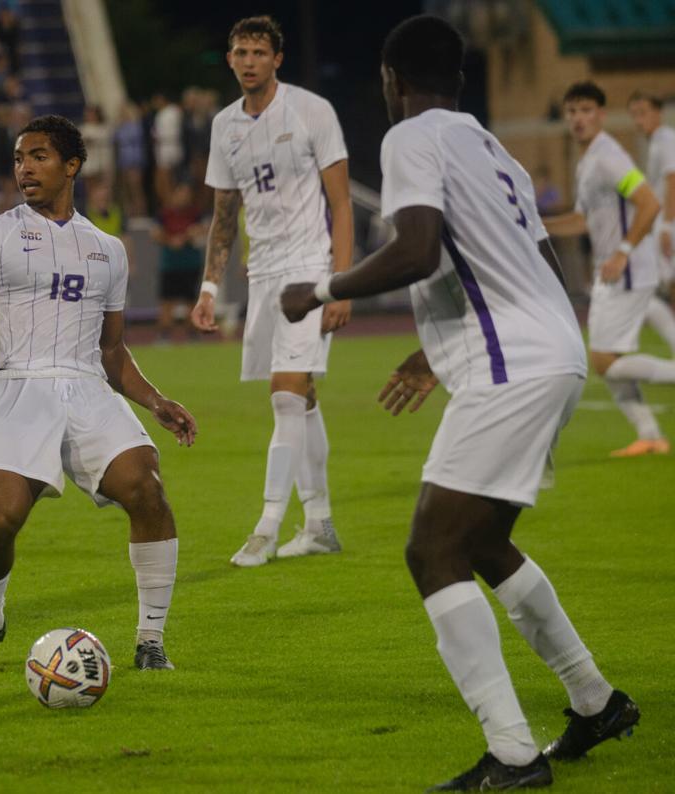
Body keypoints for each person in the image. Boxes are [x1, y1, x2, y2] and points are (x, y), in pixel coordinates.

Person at [280, 16, 639, 790]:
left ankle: (512, 754)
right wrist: (444, 349)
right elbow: (532, 254)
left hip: (513, 364)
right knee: (480, 543)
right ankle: (595, 700)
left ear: (391, 80)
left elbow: (417, 248)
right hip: (547, 348)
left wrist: (320, 289)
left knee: (431, 549)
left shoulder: (412, 138)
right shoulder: (491, 145)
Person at [0, 115, 197, 673]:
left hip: (86, 388)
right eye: (18, 158)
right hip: (16, 385)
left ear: (72, 165)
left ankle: (151, 639)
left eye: (38, 156)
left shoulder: (108, 249)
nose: (24, 168)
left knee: (147, 488)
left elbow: (112, 351)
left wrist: (156, 401)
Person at [191, 15, 353, 565]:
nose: (250, 60)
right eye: (241, 51)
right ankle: (321, 523)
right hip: (263, 275)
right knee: (301, 399)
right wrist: (211, 286)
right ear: (230, 59)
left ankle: (266, 525)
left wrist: (342, 284)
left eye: (260, 51)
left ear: (277, 59)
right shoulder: (224, 126)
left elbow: (342, 202)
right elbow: (223, 215)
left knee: (285, 394)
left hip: (310, 271)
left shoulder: (312, 111)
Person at [543, 82, 675, 457]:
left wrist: (623, 251)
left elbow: (648, 204)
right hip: (612, 272)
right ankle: (650, 435)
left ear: (601, 114)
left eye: (586, 110)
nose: (578, 118)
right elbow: (582, 220)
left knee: (603, 361)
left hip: (627, 270)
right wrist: (538, 225)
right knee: (607, 360)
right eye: (572, 112)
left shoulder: (609, 156)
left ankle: (651, 430)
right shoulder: (586, 162)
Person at [627, 90, 675, 352]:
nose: (638, 120)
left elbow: (673, 180)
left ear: (658, 113)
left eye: (643, 112)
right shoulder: (658, 141)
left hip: (670, 223)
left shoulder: (664, 139)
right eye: (634, 114)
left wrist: (667, 225)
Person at [152, 182, 205, 342]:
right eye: (181, 193)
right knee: (167, 303)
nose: (184, 197)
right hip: (170, 266)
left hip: (191, 265)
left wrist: (186, 236)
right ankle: (163, 336)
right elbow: (155, 233)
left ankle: (193, 335)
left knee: (191, 302)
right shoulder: (164, 214)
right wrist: (170, 240)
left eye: (187, 194)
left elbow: (201, 230)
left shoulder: (195, 213)